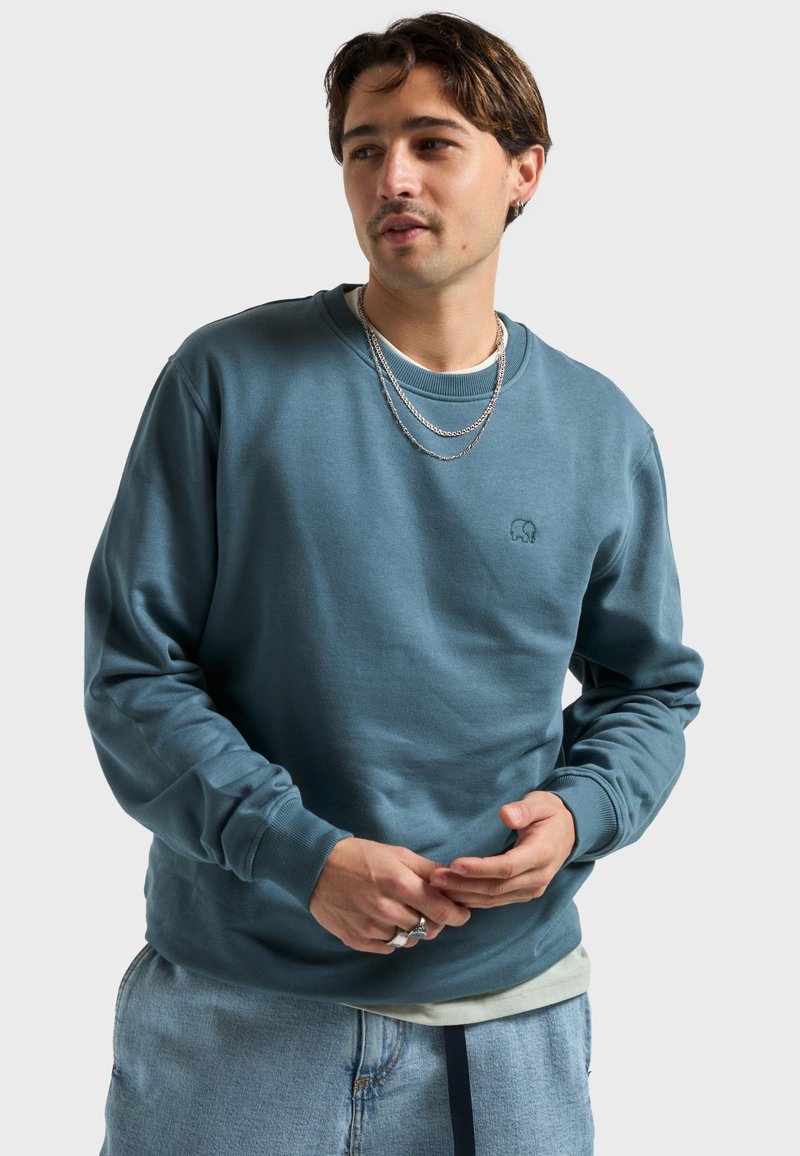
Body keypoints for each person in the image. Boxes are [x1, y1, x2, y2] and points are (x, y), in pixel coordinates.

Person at [85, 12, 703, 1155]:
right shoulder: (224, 380)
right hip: (238, 1009)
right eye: (363, 148)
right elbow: (134, 676)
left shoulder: (600, 429)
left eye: (431, 143)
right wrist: (298, 852)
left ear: (523, 172)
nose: (391, 178)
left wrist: (579, 811)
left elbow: (649, 690)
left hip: (508, 1020)